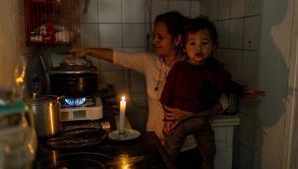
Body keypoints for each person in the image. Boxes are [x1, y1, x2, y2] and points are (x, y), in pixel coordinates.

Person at [68, 11, 264, 169]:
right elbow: (117, 56)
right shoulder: (149, 61)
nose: (154, 41)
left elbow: (223, 101)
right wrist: (87, 50)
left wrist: (189, 114)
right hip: (154, 143)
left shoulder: (196, 66)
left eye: (160, 37)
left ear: (178, 39)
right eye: (154, 36)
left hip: (187, 147)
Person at [160, 17, 231, 169]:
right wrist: (168, 119)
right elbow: (166, 96)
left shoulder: (214, 67)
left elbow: (227, 85)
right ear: (184, 47)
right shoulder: (179, 68)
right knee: (170, 154)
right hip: (180, 123)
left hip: (202, 121)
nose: (198, 49)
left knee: (210, 152)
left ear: (213, 46)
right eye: (192, 43)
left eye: (204, 43)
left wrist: (244, 91)